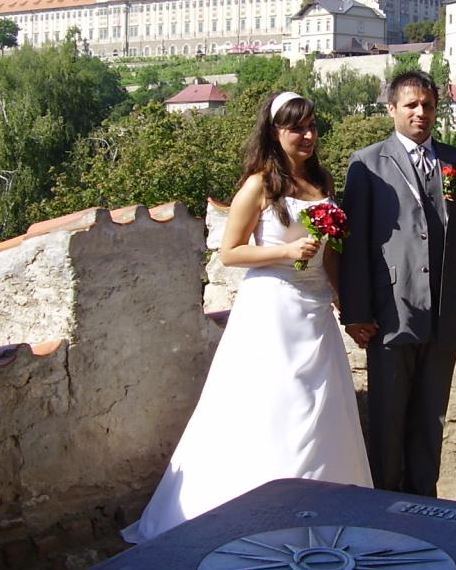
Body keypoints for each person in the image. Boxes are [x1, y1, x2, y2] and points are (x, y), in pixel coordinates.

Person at [122, 91, 372, 543]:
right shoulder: (259, 184)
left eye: (312, 126)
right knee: (273, 406)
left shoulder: (322, 181)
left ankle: (322, 509)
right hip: (273, 311)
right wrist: (286, 252)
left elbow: (331, 255)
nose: (308, 135)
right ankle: (259, 515)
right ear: (275, 133)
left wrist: (344, 303)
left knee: (321, 408)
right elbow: (230, 252)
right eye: (297, 128)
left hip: (315, 313)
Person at [339, 71, 456, 497]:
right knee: (387, 417)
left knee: (431, 417)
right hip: (391, 314)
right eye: (411, 105)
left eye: (428, 105)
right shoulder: (367, 163)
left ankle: (425, 502)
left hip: (444, 313)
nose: (421, 112)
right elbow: (355, 246)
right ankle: (385, 501)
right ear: (392, 109)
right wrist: (356, 313)